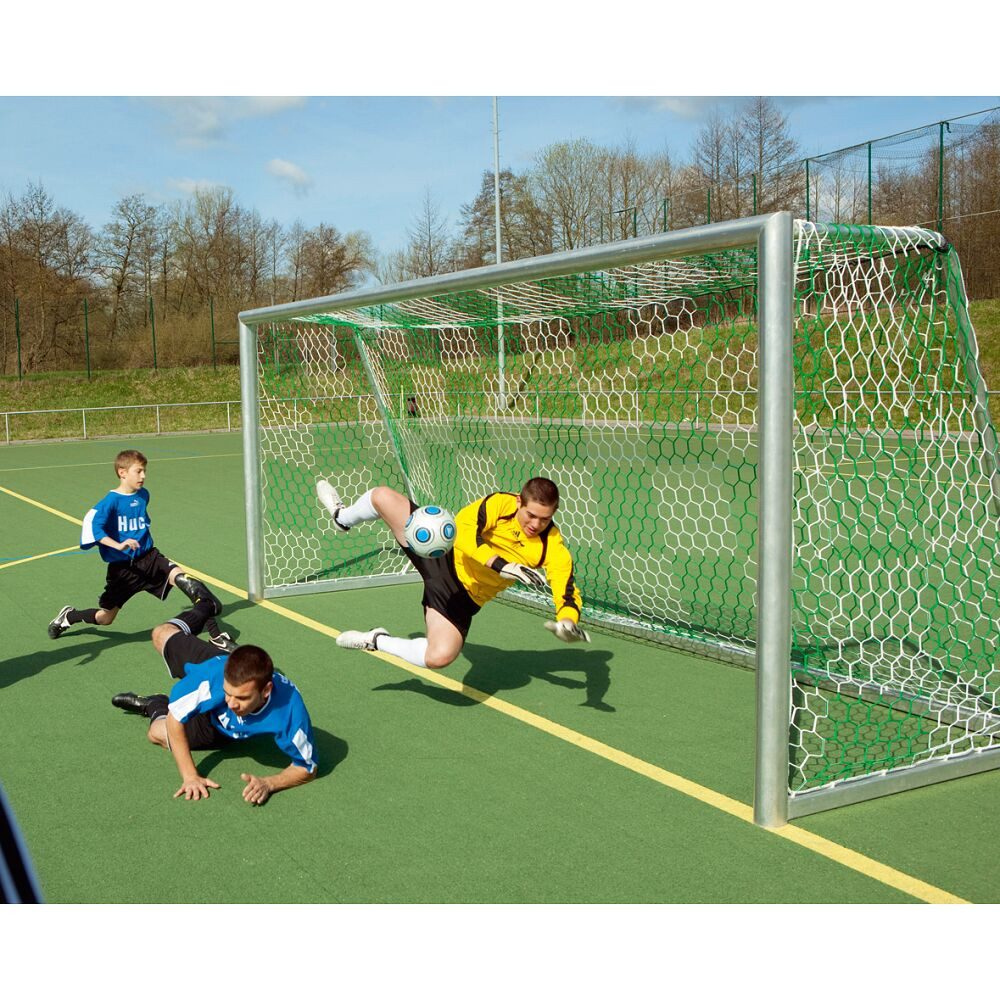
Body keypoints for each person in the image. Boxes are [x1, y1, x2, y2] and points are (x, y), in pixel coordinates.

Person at [317, 476, 590, 670]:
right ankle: (342, 518)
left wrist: (567, 621)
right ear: (519, 501)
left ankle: (375, 640)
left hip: (460, 596)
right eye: (531, 514)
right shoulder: (499, 504)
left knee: (439, 657)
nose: (536, 524)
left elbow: (566, 592)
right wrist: (502, 565)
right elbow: (463, 531)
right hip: (440, 554)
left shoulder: (552, 547)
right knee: (382, 496)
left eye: (545, 518)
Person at [111, 599, 317, 805]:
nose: (232, 704)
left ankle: (154, 704)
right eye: (229, 693)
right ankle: (203, 608)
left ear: (266, 690)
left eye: (242, 698)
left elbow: (307, 768)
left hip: (214, 727)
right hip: (212, 668)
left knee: (156, 734)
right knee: (160, 633)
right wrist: (190, 776)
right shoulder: (214, 678)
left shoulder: (290, 712)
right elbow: (178, 718)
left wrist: (270, 783)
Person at [47, 448, 228, 645]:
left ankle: (216, 636)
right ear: (122, 472)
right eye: (138, 471)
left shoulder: (143, 495)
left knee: (188, 583)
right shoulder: (110, 501)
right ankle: (69, 616)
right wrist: (118, 544)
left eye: (145, 471)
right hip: (123, 570)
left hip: (150, 558)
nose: (143, 476)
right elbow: (94, 528)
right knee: (105, 618)